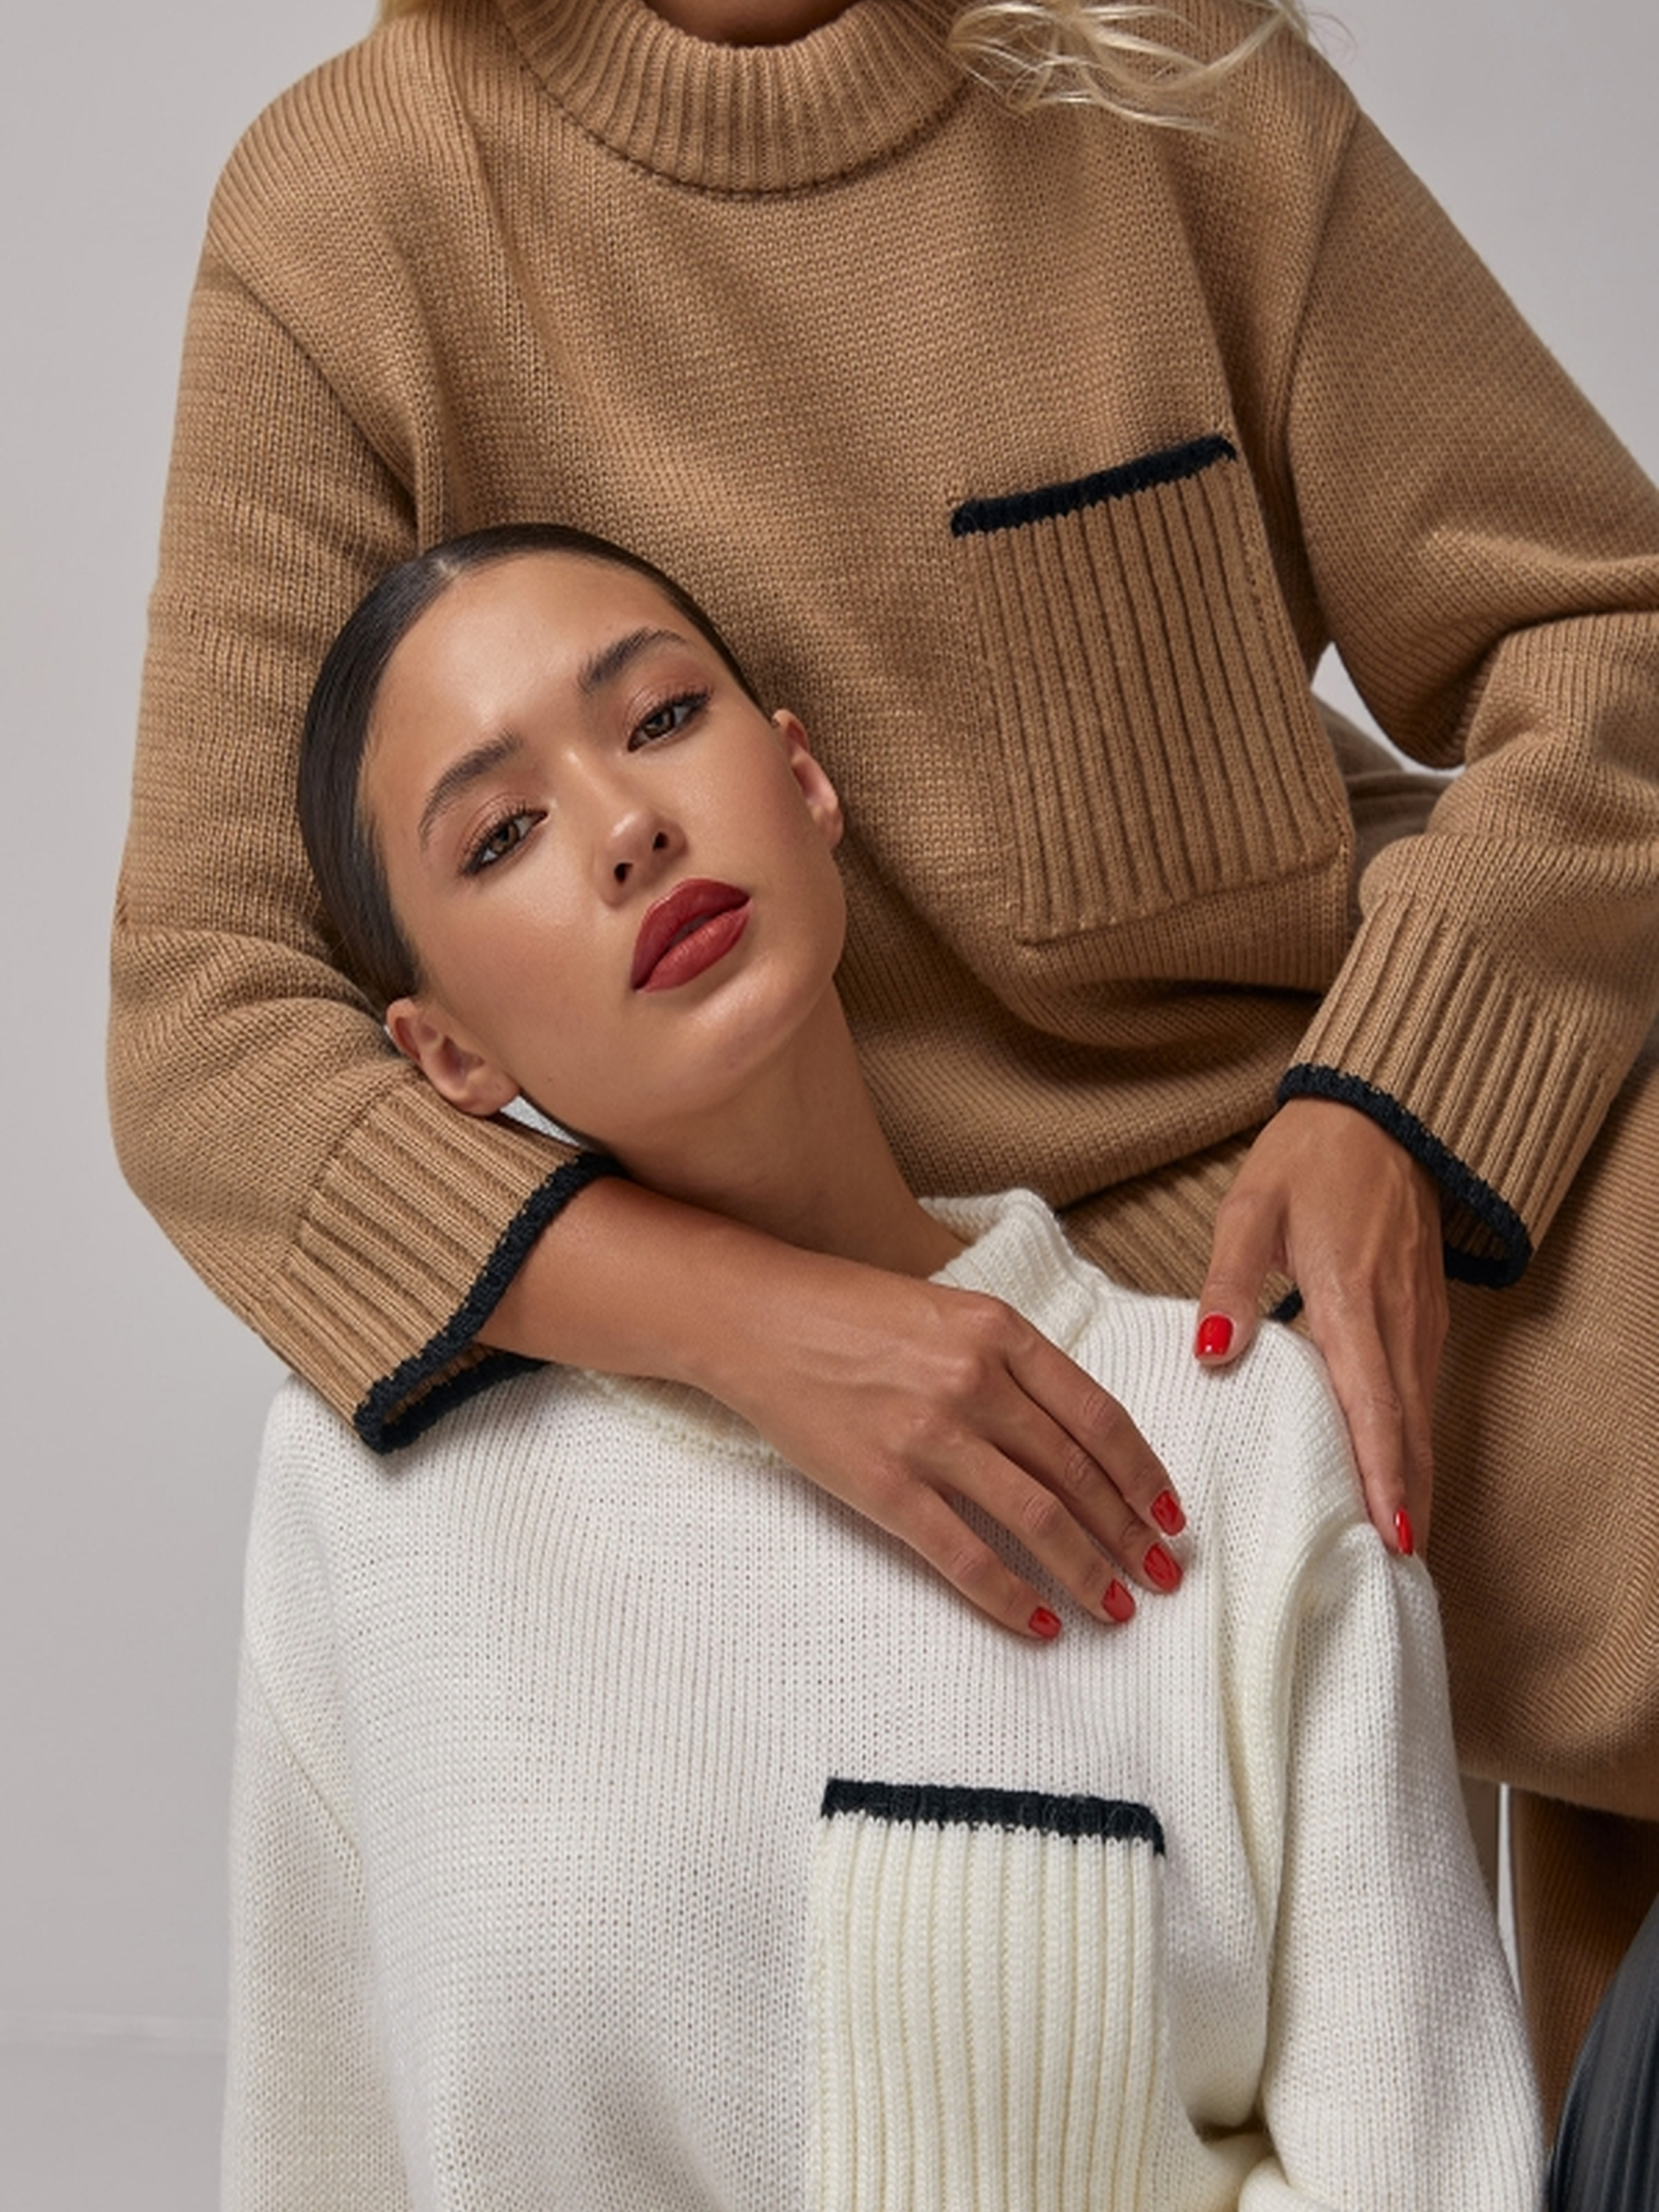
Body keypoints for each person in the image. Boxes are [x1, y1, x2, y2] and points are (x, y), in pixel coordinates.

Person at [111, 0, 1659, 2112]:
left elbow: (1601, 627)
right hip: (907, 1276)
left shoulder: (1154, 63)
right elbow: (203, 1029)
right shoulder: (362, 213)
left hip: (1373, 1176)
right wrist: (750, 1324)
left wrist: (1396, 1089)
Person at [223, 524, 1543, 2208]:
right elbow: (315, 2160)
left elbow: (1422, 2171)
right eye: (501, 835)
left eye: (659, 720)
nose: (626, 828)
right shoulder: (372, 1484)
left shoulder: (1236, 1441)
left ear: (803, 781)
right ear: (445, 1053)